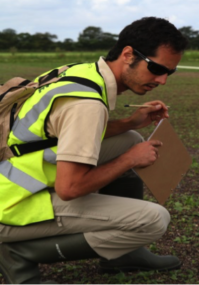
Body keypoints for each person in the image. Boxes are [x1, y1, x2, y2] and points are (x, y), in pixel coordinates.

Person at [0, 17, 188, 285]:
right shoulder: (86, 104)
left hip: (12, 173)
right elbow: (70, 188)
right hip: (9, 207)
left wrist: (129, 123)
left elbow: (62, 133)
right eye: (157, 68)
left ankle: (123, 255)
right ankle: (18, 254)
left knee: (130, 138)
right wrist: (128, 161)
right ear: (128, 54)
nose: (162, 80)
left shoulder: (81, 72)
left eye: (170, 72)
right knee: (154, 220)